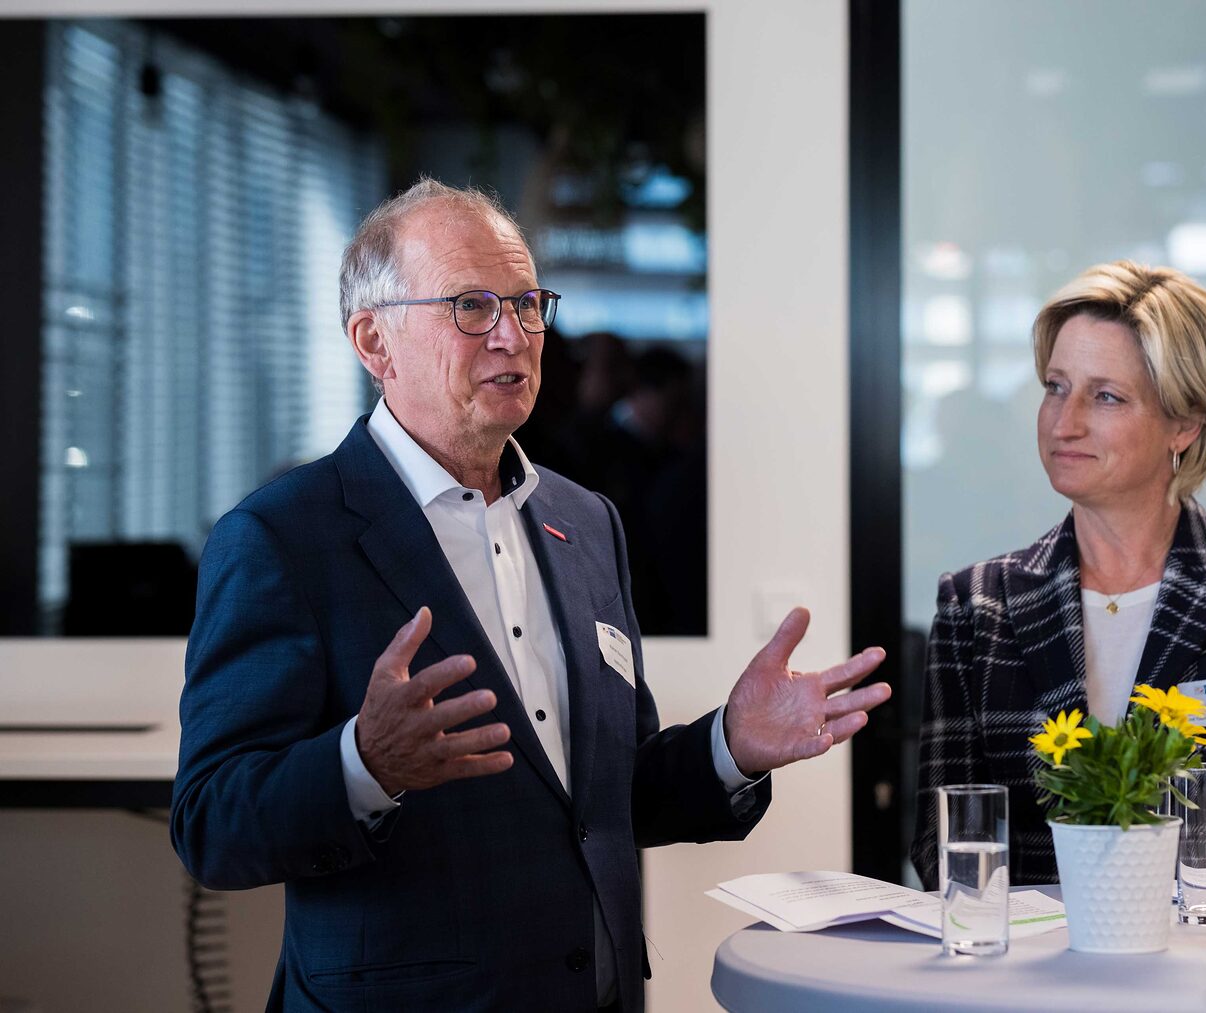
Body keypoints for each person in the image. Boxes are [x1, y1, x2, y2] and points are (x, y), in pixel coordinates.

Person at [170, 178, 889, 1012]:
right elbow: (212, 826)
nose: (514, 334)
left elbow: (602, 798)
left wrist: (730, 745)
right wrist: (363, 764)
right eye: (472, 305)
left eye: (527, 303)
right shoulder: (283, 537)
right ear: (375, 340)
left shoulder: (586, 523)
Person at [911, 261, 1206, 888]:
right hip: (1029, 979)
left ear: (1185, 423)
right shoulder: (975, 605)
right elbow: (949, 851)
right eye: (1054, 386)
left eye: (1105, 396)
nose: (1063, 423)